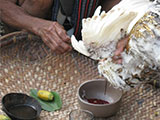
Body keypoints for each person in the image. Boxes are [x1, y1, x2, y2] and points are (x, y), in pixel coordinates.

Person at [0, 0, 127, 61]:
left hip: (80, 45)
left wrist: (116, 33)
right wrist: (36, 25)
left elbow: (116, 7)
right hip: (28, 41)